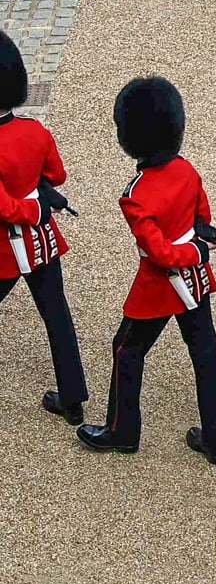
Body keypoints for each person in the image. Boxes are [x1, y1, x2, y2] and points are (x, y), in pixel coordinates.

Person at [78, 77, 216, 460]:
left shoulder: (136, 194)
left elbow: (158, 253)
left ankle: (122, 430)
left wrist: (193, 251)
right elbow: (202, 219)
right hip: (195, 283)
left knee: (126, 349)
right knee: (205, 351)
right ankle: (214, 438)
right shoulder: (188, 170)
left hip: (160, 288)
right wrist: (200, 247)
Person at [0, 32, 85, 426]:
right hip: (41, 243)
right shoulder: (35, 130)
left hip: (5, 248)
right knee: (57, 315)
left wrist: (27, 208)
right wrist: (37, 200)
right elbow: (57, 174)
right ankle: (72, 399)